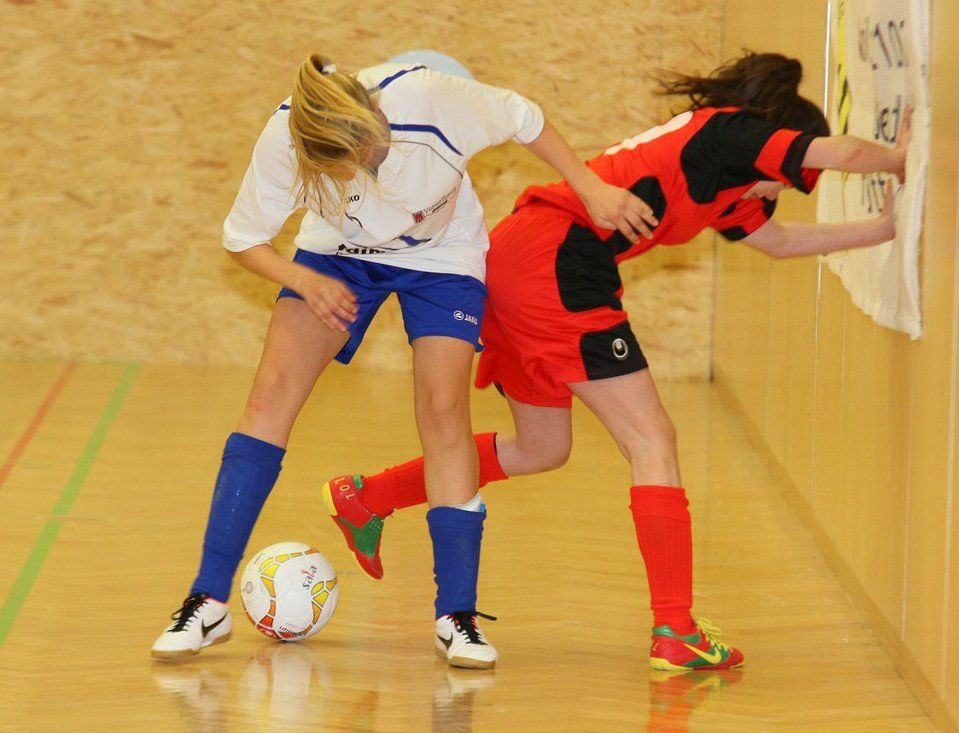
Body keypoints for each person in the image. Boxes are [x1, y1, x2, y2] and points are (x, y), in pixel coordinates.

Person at [322, 52, 910, 672]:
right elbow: (841, 153)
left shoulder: (731, 183)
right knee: (652, 439)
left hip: (519, 260)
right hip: (556, 262)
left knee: (541, 447)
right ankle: (675, 629)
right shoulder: (731, 131)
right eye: (788, 179)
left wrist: (881, 230)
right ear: (779, 141)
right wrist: (906, 159)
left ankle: (367, 496)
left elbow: (780, 242)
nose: (780, 192)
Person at [150, 53, 655, 665]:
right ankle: (206, 601)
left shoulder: (433, 100)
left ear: (374, 117)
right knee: (269, 398)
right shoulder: (287, 136)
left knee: (443, 412)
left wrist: (591, 188)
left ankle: (457, 616)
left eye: (366, 155)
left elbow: (526, 118)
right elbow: (242, 239)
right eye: (342, 170)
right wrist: (303, 281)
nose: (364, 173)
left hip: (441, 258)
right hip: (336, 256)